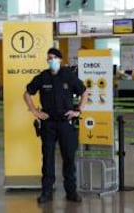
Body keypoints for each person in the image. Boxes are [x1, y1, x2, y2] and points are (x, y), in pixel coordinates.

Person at [23, 48, 88, 204]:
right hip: (48, 123)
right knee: (48, 158)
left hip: (66, 123)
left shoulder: (69, 76)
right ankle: (46, 192)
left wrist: (78, 111)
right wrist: (35, 112)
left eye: (53, 58)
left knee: (68, 158)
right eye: (48, 58)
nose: (50, 60)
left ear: (59, 59)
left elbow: (84, 92)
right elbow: (27, 93)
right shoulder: (42, 77)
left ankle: (71, 192)